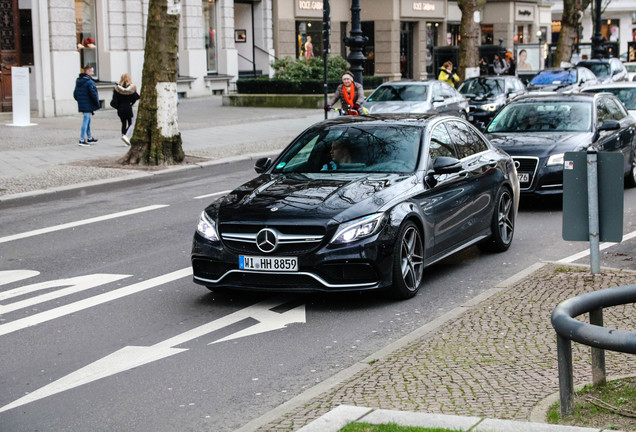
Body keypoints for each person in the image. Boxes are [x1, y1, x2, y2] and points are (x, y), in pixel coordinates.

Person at [73, 64, 100, 147]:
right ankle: (81, 139)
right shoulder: (89, 81)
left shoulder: (79, 81)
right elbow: (93, 94)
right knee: (86, 120)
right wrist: (97, 103)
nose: (93, 72)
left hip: (83, 103)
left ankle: (89, 137)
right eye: (91, 71)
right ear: (87, 71)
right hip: (88, 103)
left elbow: (75, 94)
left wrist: (81, 100)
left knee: (87, 120)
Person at [110, 73, 140, 146]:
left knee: (123, 123)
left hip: (120, 108)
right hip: (128, 108)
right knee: (131, 123)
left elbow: (114, 101)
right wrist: (131, 104)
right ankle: (126, 136)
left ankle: (124, 136)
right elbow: (135, 97)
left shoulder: (117, 89)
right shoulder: (132, 89)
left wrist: (118, 107)